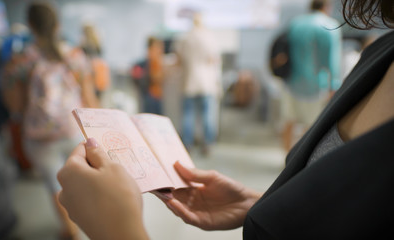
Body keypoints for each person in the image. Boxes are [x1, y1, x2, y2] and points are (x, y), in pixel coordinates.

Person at [57, 0, 394, 239]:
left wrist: (118, 231)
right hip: (225, 86)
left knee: (193, 118)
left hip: (204, 85)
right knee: (204, 117)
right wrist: (263, 205)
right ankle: (206, 141)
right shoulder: (379, 54)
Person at [2, 2, 99, 240]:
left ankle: (70, 231)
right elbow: (89, 98)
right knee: (83, 180)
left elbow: (15, 106)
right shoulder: (75, 55)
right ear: (57, 24)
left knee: (55, 186)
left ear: (31, 26)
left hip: (39, 137)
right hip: (73, 129)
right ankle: (93, 225)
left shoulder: (22, 60)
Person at [281, 0, 342, 152]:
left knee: (289, 121)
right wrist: (333, 85)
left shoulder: (296, 23)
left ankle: (286, 157)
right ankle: (300, 161)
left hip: (291, 82)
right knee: (311, 126)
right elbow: (332, 60)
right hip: (316, 84)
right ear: (326, 7)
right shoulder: (329, 25)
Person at [175, 13, 222, 155]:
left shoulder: (185, 38)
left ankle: (187, 144)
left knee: (188, 115)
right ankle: (207, 144)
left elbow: (179, 60)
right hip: (206, 83)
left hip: (189, 82)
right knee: (207, 115)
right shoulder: (209, 37)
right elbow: (213, 60)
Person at [79, 24, 111, 100]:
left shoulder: (84, 47)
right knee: (96, 97)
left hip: (92, 74)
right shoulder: (97, 46)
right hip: (98, 77)